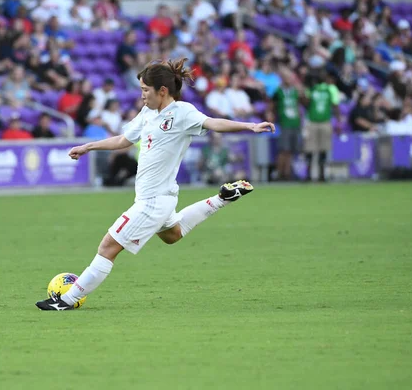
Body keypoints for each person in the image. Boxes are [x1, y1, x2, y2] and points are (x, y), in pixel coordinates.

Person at [35, 58, 274, 311]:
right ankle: (222, 198)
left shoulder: (183, 112)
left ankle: (67, 300)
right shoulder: (148, 113)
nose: (142, 96)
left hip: (152, 201)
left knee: (107, 247)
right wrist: (88, 146)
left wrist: (250, 126)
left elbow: (213, 123)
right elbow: (124, 140)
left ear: (162, 91)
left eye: (145, 91)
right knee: (173, 235)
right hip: (162, 198)